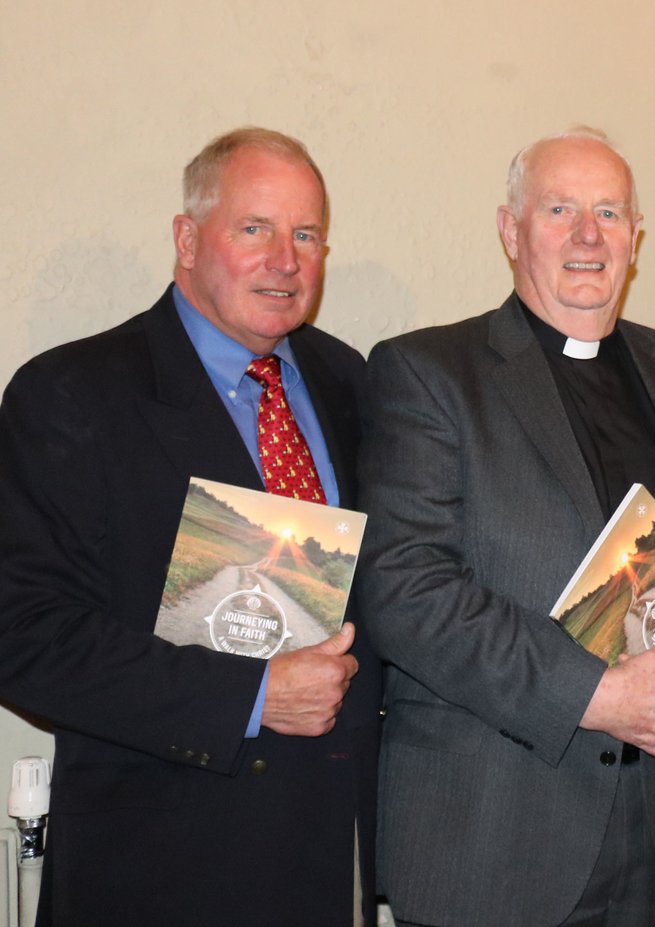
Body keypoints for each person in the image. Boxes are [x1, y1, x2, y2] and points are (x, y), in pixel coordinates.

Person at [357, 128, 655, 927]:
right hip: (496, 835)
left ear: (635, 237)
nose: (587, 235)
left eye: (609, 211)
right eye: (560, 209)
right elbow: (407, 590)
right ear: (510, 230)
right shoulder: (429, 373)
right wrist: (598, 695)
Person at [0, 127, 378, 925]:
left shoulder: (353, 382)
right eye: (255, 228)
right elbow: (24, 636)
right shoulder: (73, 392)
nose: (287, 258)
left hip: (329, 859)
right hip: (157, 873)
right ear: (186, 238)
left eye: (306, 234)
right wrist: (251, 696)